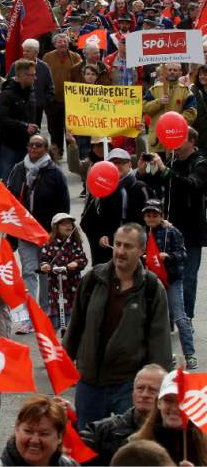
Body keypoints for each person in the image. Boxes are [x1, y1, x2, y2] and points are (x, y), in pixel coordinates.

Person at [63, 223, 172, 426]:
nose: (120, 251)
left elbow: (160, 341)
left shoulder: (151, 288)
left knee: (131, 447)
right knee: (88, 448)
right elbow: (75, 326)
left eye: (128, 246)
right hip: (90, 383)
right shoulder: (93, 279)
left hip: (128, 385)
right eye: (118, 244)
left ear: (141, 250)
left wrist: (158, 386)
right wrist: (62, 364)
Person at [138, 127, 207, 322]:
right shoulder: (173, 160)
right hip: (169, 228)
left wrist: (166, 171)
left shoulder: (201, 163)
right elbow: (158, 184)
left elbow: (190, 185)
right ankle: (168, 317)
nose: (174, 141)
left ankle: (186, 318)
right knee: (165, 273)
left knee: (188, 277)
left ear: (192, 141)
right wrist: (144, 172)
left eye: (181, 137)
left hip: (192, 230)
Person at [5, 133, 69, 321]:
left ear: (45, 149)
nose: (34, 148)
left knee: (45, 271)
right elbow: (9, 199)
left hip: (47, 233)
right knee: (28, 271)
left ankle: (45, 311)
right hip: (24, 232)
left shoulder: (55, 173)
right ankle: (30, 315)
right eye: (31, 145)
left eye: (39, 145)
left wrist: (60, 231)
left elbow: (64, 204)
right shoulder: (18, 170)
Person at [142, 199, 196, 368]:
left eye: (155, 215)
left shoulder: (171, 231)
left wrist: (169, 257)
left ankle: (189, 354)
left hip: (171, 280)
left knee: (180, 318)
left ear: (162, 216)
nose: (151, 218)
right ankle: (162, 356)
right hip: (151, 281)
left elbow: (183, 253)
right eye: (148, 215)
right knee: (157, 320)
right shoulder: (142, 232)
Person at [80, 364, 167, 465]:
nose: (144, 394)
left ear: (164, 396)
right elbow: (74, 451)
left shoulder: (177, 435)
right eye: (140, 388)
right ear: (133, 393)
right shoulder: (101, 431)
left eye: (152, 390)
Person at [81, 147, 152, 265]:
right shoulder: (99, 188)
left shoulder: (140, 187)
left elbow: (151, 219)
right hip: (106, 253)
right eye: (113, 163)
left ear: (129, 164)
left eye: (121, 162)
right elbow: (86, 222)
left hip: (133, 251)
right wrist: (98, 238)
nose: (117, 166)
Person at [131, 369, 207, 465]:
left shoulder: (204, 446)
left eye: (183, 401)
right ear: (158, 403)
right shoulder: (136, 445)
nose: (175, 408)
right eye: (169, 400)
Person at [0, 395, 77, 466]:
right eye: (28, 431)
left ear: (60, 436)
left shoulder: (70, 465)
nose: (34, 440)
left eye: (44, 434)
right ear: (17, 428)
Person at [0, 58, 37, 185]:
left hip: (26, 144)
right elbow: (2, 118)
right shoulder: (6, 94)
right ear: (21, 75)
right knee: (5, 178)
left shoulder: (31, 92)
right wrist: (24, 126)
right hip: (8, 145)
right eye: (32, 75)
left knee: (23, 180)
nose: (35, 78)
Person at [39, 213, 88, 332]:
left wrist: (76, 263)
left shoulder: (75, 244)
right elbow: (43, 260)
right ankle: (53, 342)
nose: (69, 226)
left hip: (72, 287)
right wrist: (45, 266)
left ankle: (71, 339)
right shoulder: (49, 244)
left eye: (70, 224)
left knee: (72, 317)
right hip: (56, 287)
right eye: (64, 224)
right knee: (55, 317)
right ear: (57, 227)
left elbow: (82, 259)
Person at [41, 32, 81, 159]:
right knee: (54, 130)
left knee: (71, 131)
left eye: (64, 41)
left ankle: (72, 156)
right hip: (53, 101)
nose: (62, 44)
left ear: (68, 43)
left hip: (71, 101)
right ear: (55, 44)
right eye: (59, 42)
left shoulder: (76, 57)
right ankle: (56, 155)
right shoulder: (47, 57)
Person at [143, 62, 197, 154]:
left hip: (177, 141)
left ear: (180, 73)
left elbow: (191, 113)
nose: (172, 72)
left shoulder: (186, 92)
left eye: (175, 70)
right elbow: (145, 108)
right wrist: (159, 102)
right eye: (169, 70)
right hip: (157, 142)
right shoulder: (154, 90)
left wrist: (174, 123)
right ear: (164, 71)